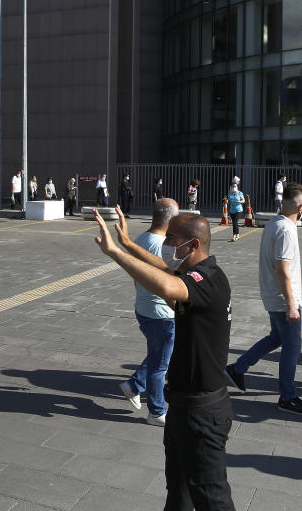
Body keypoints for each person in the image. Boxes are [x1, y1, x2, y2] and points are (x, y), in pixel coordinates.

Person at [95, 208, 234, 508]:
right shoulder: (195, 273)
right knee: (179, 492)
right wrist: (128, 245)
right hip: (183, 406)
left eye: (172, 238)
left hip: (203, 412)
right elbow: (166, 272)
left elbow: (167, 285)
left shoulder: (207, 280)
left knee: (213, 500)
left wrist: (115, 254)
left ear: (193, 245)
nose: (167, 244)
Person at [226, 183, 302, 416]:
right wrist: (291, 304)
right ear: (299, 206)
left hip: (273, 295)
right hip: (282, 298)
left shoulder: (274, 223)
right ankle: (287, 396)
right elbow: (282, 270)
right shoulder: (286, 229)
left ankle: (238, 368)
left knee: (276, 337)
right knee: (292, 347)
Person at [118, 198, 180, 426]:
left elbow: (137, 277)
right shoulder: (162, 245)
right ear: (171, 219)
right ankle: (156, 411)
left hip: (144, 308)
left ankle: (134, 385)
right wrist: (174, 305)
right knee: (160, 365)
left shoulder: (141, 239)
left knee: (158, 354)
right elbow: (166, 283)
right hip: (162, 312)